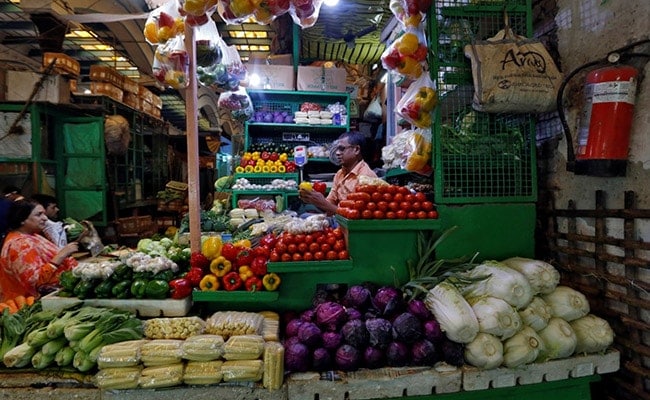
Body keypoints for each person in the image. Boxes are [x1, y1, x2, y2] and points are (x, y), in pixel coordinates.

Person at [0, 199, 79, 302]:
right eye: (39, 214)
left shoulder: (33, 235)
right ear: (22, 219)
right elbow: (35, 282)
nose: (45, 218)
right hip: (29, 303)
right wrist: (61, 255)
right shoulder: (19, 244)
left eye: (44, 214)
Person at [299, 131, 378, 215]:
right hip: (338, 219)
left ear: (356, 150)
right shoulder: (340, 173)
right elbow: (330, 204)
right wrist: (314, 199)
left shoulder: (366, 177)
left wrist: (323, 203)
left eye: (342, 149)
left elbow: (358, 215)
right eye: (337, 149)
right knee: (304, 216)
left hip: (352, 221)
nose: (337, 153)